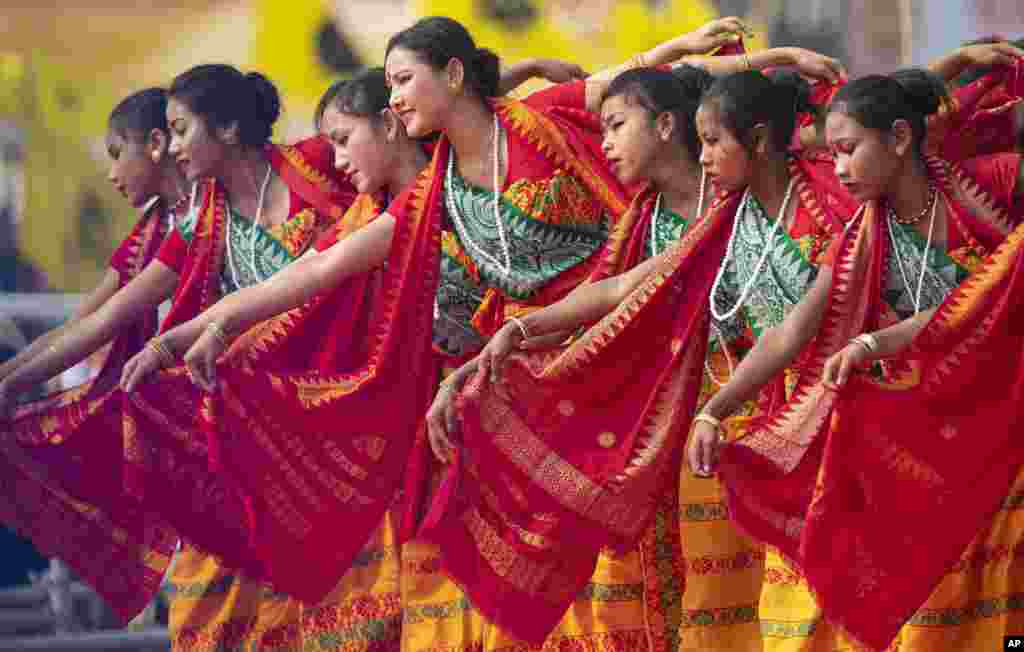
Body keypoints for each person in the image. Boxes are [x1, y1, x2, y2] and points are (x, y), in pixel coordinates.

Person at [98, 15, 751, 651]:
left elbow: (641, 83)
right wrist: (189, 334)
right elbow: (322, 265)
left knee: (631, 568)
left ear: (455, 74)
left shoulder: (534, 120)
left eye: (404, 81)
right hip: (531, 386)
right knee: (555, 582)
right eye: (389, 87)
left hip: (621, 358)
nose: (395, 99)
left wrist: (757, 63)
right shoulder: (431, 197)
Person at [0, 65, 360, 650]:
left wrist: (504, 78)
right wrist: (11, 384)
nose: (172, 145)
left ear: (225, 129)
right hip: (249, 441)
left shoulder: (317, 161)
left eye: (180, 129)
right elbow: (104, 318)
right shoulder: (201, 220)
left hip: (339, 428)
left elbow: (404, 142)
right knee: (210, 618)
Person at [688, 69, 1024, 651]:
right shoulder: (863, 236)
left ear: (898, 138)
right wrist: (714, 411)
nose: (838, 168)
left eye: (848, 150)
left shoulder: (990, 184)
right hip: (919, 438)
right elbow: (792, 331)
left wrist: (876, 342)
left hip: (1002, 432)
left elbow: (990, 297)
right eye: (832, 153)